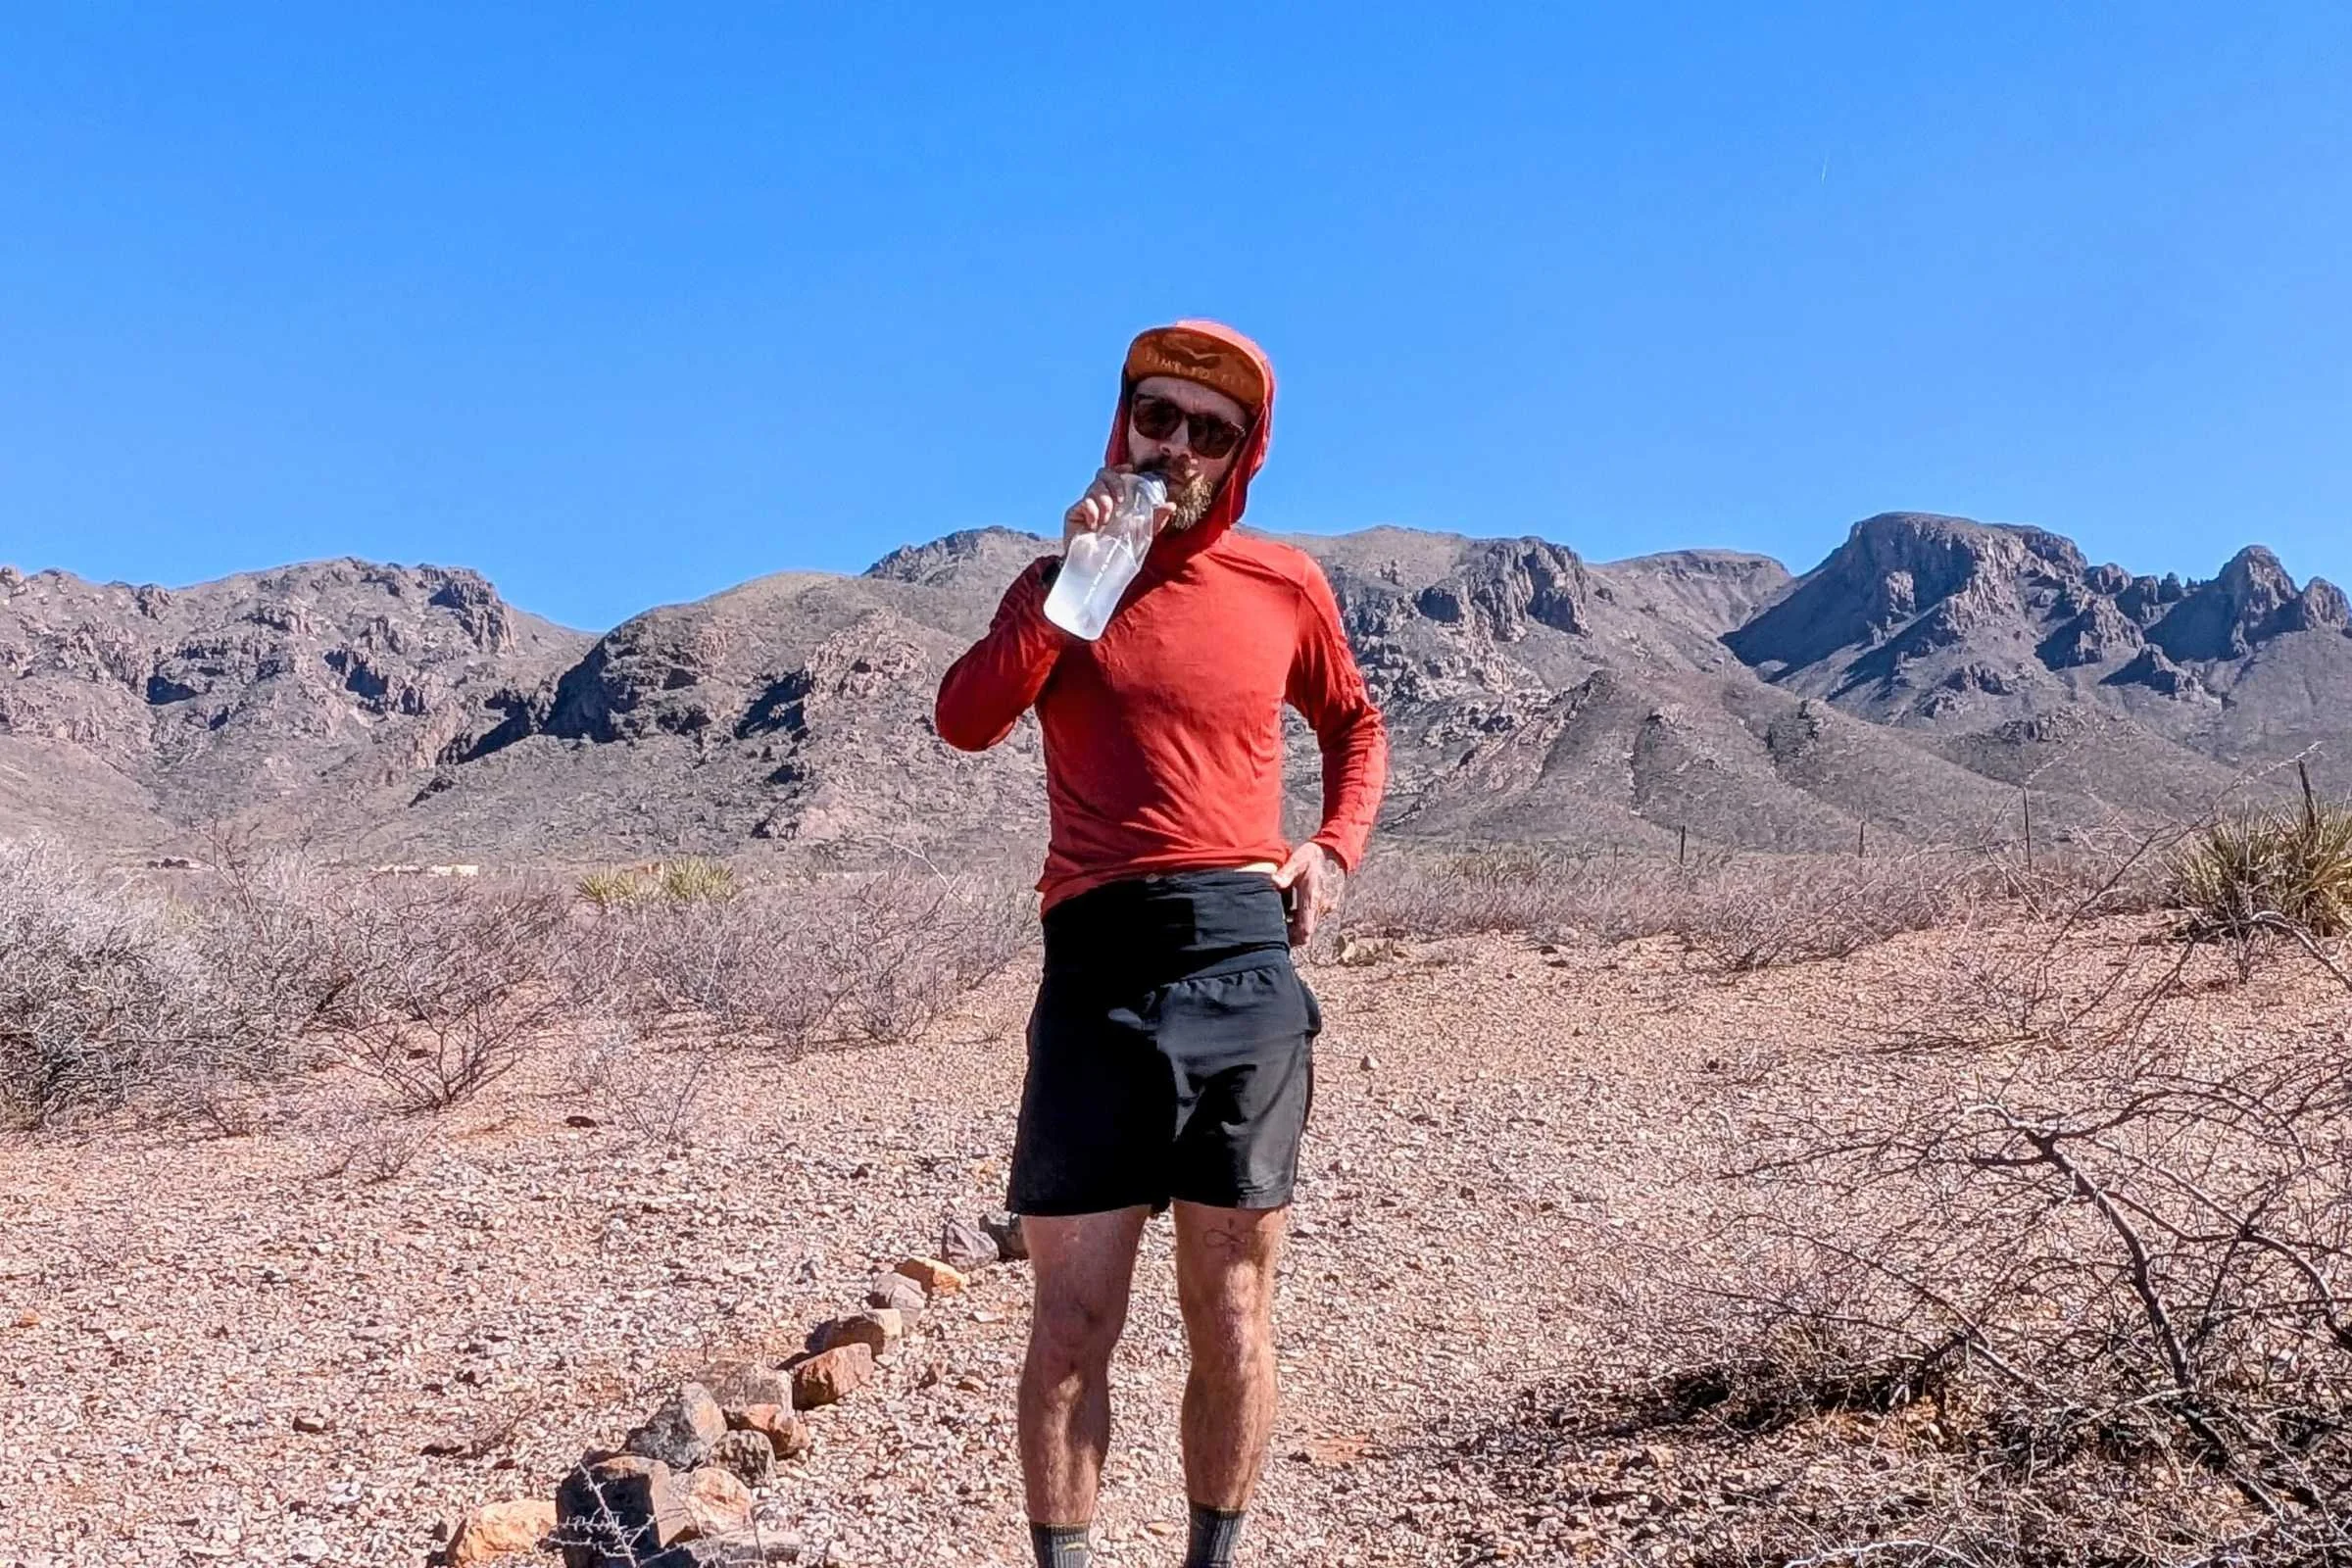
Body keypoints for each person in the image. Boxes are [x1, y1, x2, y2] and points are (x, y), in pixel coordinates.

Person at [935, 319, 1387, 1568]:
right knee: (1074, 1318)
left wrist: (1333, 849)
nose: (1177, 444)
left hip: (1243, 957)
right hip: (1097, 965)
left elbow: (1356, 724)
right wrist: (1077, 587)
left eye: (1210, 430)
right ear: (1123, 421)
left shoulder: (1282, 585)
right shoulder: (1055, 585)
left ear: (1243, 456)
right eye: (1158, 417)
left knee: (1232, 1308)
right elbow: (967, 719)